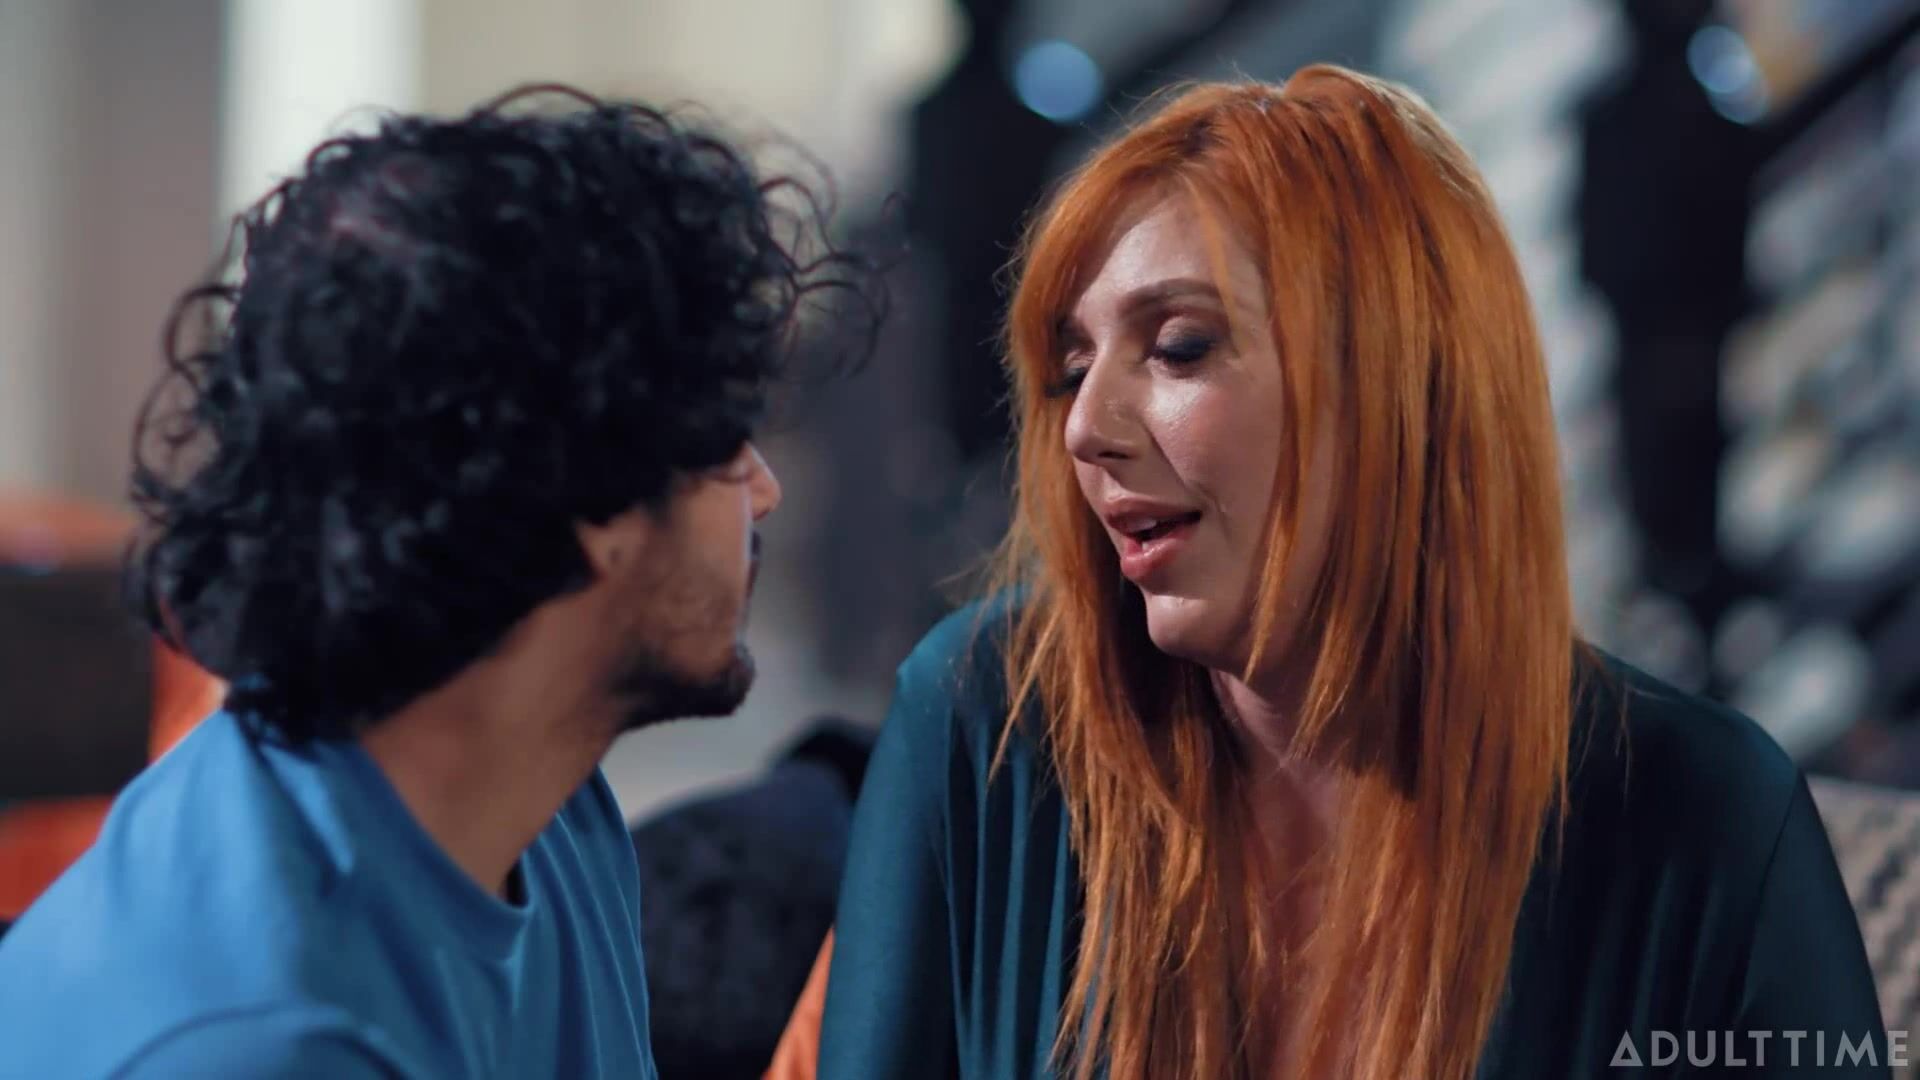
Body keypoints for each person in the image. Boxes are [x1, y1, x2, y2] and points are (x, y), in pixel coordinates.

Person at [811, 67, 1888, 1079]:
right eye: (1070, 370)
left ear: (1395, 380)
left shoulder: (1709, 817)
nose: (1085, 428)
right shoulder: (978, 720)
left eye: (1179, 347)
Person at [0, 85, 871, 1078]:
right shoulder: (267, 1042)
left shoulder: (546, 806)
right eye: (723, 445)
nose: (764, 490)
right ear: (593, 497)